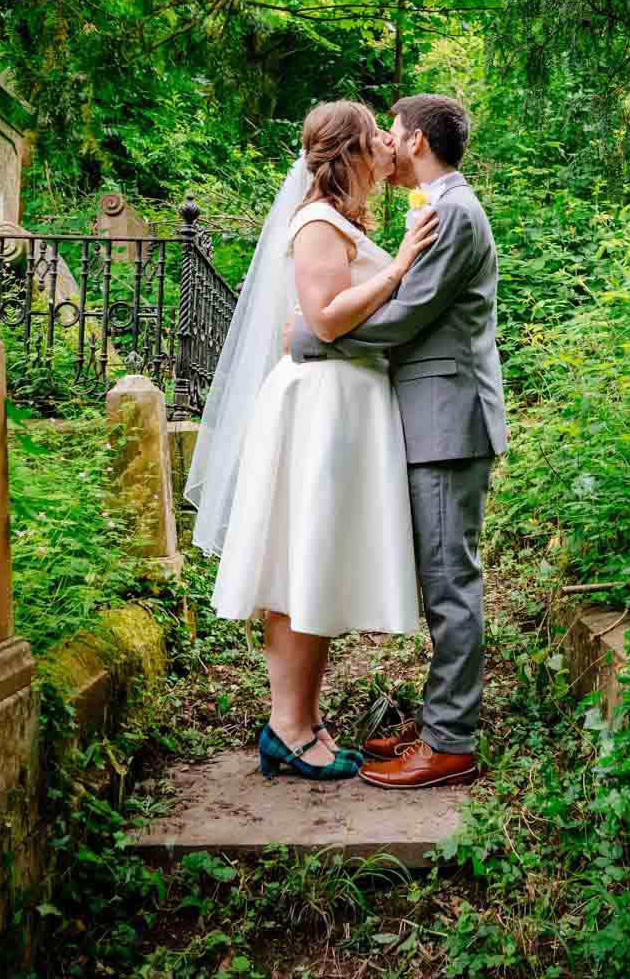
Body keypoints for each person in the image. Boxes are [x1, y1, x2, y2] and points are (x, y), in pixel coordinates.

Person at [184, 100, 440, 781]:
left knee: (314, 564)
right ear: (351, 154)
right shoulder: (318, 222)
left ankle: (303, 721)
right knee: (299, 566)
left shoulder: (339, 221)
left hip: (343, 409)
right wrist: (400, 265)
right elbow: (323, 321)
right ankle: (287, 728)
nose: (389, 148)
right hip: (319, 413)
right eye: (377, 141)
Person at [289, 93, 507, 790]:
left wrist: (311, 337)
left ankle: (451, 743)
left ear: (414, 140)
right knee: (440, 579)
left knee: (451, 585)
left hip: (448, 419)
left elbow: (406, 316)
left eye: (392, 131)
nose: (385, 143)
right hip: (433, 417)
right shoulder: (441, 208)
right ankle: (440, 720)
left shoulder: (454, 213)